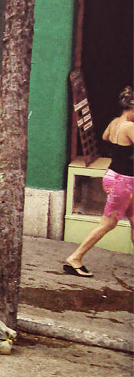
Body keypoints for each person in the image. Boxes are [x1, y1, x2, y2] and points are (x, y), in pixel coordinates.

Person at [64, 86, 134, 277]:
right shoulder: (129, 126)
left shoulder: (115, 123)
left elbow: (105, 137)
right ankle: (75, 258)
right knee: (108, 223)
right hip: (124, 182)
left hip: (115, 176)